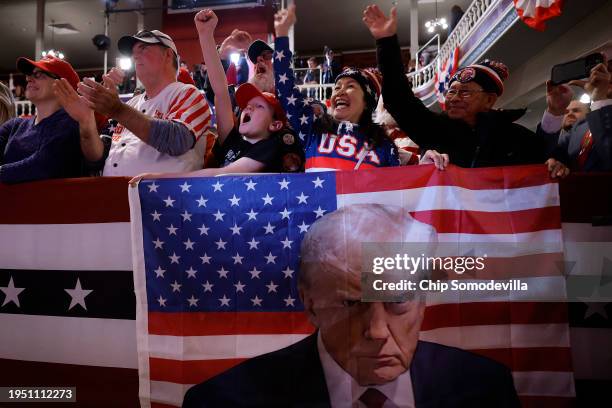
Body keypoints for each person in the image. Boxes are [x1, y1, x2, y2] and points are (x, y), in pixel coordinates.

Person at [183, 204, 520, 407]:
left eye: (398, 300)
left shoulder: (485, 388)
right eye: (350, 304)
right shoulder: (224, 401)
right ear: (310, 303)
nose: (376, 332)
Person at [364, 5, 569, 178]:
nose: (454, 98)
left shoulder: (514, 136)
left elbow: (548, 158)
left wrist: (556, 161)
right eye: (451, 92)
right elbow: (398, 99)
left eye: (465, 93)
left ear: (489, 100)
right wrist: (386, 42)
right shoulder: (434, 129)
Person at [129, 9, 298, 183]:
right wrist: (206, 34)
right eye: (247, 104)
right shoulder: (232, 138)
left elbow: (216, 175)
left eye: (259, 106)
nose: (248, 107)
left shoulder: (274, 144)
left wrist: (158, 179)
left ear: (276, 124)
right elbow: (220, 92)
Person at [54, 29, 212, 177]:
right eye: (134, 52)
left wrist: (117, 110)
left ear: (168, 55)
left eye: (143, 48)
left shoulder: (187, 93)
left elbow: (177, 140)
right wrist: (86, 120)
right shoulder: (130, 104)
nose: (135, 56)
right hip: (114, 198)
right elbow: (98, 158)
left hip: (162, 202)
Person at [273, 4, 400, 172]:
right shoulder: (312, 128)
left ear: (367, 101)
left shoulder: (384, 146)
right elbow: (286, 90)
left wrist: (430, 164)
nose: (340, 91)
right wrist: (282, 36)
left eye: (350, 86)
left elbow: (400, 189)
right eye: (337, 87)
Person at [0, 56, 94, 184]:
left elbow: (43, 165)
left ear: (63, 85)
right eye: (29, 74)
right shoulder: (15, 125)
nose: (28, 78)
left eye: (38, 74)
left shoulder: (72, 125)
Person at [540, 60, 612, 171]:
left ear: (590, 114)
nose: (570, 114)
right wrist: (554, 111)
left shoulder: (597, 120)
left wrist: (600, 99)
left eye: (576, 110)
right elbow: (543, 156)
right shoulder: (574, 133)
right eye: (566, 111)